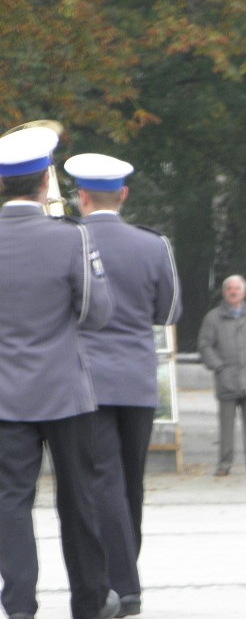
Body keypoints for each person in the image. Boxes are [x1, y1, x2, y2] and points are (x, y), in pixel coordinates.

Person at [0, 127, 120, 619]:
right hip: (65, 391)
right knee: (79, 499)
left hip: (4, 394)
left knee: (10, 503)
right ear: (46, 181)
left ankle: (20, 605)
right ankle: (89, 601)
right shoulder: (71, 236)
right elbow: (98, 312)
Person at [66, 152, 182, 618]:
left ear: (82, 196)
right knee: (130, 482)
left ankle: (123, 585)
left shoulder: (67, 241)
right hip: (137, 378)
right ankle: (125, 576)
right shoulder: (155, 245)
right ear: (124, 194)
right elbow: (168, 313)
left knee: (104, 482)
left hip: (87, 377)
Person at [198, 275, 246, 477]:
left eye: (237, 288)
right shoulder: (213, 317)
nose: (233, 291)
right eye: (229, 288)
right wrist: (218, 366)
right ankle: (224, 464)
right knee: (226, 427)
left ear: (244, 292)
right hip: (226, 380)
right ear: (224, 293)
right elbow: (204, 346)